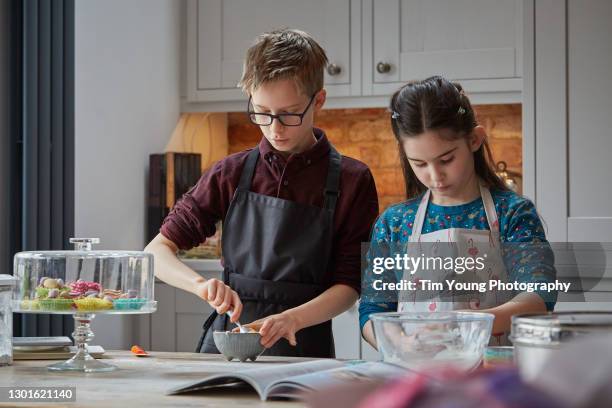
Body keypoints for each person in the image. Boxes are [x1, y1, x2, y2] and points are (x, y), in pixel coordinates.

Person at [145, 28, 379, 357]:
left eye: (288, 113)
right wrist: (201, 285)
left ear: (319, 101)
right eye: (261, 112)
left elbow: (350, 285)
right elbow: (157, 252)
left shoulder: (353, 180)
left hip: (303, 344)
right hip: (227, 343)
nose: (274, 128)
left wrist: (293, 319)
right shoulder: (230, 172)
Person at [359, 76, 556, 348]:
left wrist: (465, 324)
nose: (435, 176)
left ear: (474, 140)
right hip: (415, 373)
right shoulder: (395, 223)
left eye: (446, 159)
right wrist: (400, 344)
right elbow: (372, 310)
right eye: (419, 163)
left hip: (494, 375)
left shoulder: (512, 213)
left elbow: (539, 296)